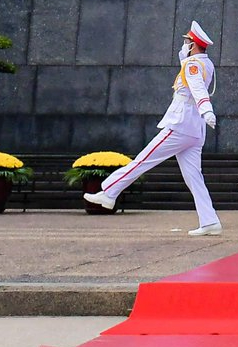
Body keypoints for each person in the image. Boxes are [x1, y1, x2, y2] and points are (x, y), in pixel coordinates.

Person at [84, 21, 221, 235]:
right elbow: (191, 72)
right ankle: (209, 220)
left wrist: (207, 110)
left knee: (143, 159)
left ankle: (109, 192)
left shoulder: (192, 65)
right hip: (195, 130)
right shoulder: (204, 62)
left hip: (181, 125)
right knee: (194, 177)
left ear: (193, 45)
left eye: (187, 42)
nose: (184, 44)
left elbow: (196, 88)